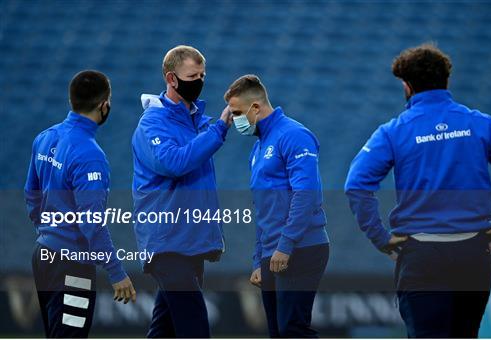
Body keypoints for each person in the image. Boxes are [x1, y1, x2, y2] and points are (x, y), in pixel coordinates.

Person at [344, 43, 491, 338]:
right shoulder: (481, 123)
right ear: (446, 80)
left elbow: (356, 185)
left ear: (407, 86)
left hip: (422, 255)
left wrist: (381, 238)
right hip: (473, 253)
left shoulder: (394, 131)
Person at [24, 70, 135, 338]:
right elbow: (92, 224)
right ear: (103, 105)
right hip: (72, 266)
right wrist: (116, 271)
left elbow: (31, 195)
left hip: (44, 256)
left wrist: (49, 231)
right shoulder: (90, 156)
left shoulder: (45, 137)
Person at [132, 45, 232, 338]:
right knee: (194, 327)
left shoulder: (195, 122)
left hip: (189, 241)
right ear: (171, 78)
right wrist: (220, 128)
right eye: (192, 75)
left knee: (165, 329)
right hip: (166, 241)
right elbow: (174, 163)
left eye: (202, 75)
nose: (199, 81)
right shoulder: (152, 124)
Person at [224, 75, 330, 338]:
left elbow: (305, 194)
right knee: (277, 332)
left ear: (256, 107)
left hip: (302, 246)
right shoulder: (258, 148)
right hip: (272, 251)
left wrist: (285, 245)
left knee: (292, 329)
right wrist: (259, 258)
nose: (234, 120)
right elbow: (263, 209)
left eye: (237, 112)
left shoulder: (294, 135)